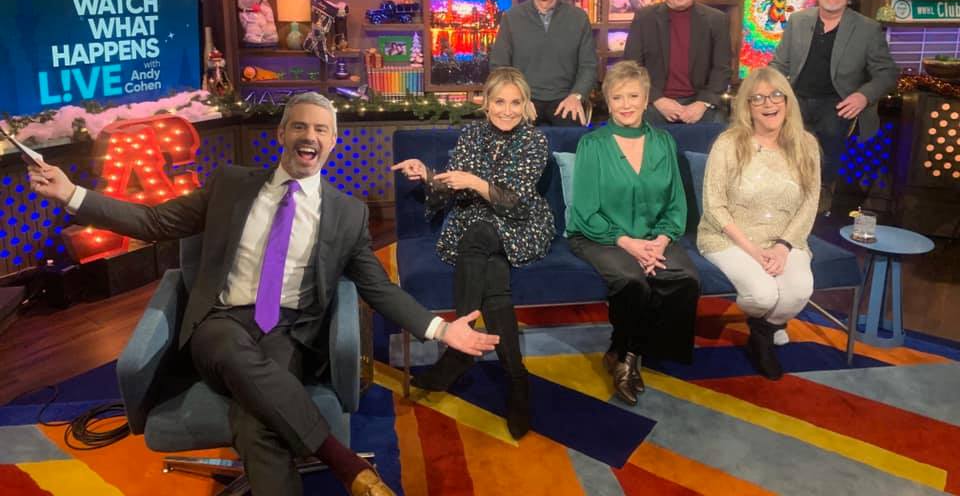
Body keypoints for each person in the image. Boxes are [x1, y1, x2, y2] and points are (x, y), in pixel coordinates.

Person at [27, 93, 499, 496]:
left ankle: (336, 465)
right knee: (230, 347)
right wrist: (72, 195)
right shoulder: (230, 184)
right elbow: (155, 223)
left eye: (320, 129)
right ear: (281, 133)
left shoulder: (346, 213)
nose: (309, 136)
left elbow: (376, 286)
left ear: (333, 141)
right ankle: (344, 463)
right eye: (299, 126)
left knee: (260, 424)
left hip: (290, 332)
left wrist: (440, 329)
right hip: (221, 321)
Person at [392, 67, 554, 439]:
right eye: (500, 101)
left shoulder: (534, 141)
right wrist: (428, 175)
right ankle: (517, 380)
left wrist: (476, 182)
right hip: (478, 221)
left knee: (478, 235)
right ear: (485, 102)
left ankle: (460, 349)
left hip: (521, 221)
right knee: (493, 273)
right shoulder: (472, 134)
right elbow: (452, 186)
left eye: (516, 103)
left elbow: (514, 202)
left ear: (526, 104)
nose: (508, 110)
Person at [566, 61, 700, 406]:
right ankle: (628, 359)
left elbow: (676, 203)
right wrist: (629, 244)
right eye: (617, 97)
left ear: (646, 100)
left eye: (633, 96)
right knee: (631, 280)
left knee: (684, 277)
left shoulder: (664, 142)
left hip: (654, 235)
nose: (625, 104)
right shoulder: (593, 144)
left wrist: (661, 241)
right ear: (608, 103)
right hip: (599, 235)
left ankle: (625, 352)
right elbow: (585, 212)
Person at [697, 67, 820, 380]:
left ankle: (762, 331)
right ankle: (766, 336)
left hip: (784, 238)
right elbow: (714, 206)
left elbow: (809, 204)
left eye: (777, 95)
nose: (769, 104)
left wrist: (782, 247)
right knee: (764, 294)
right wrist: (753, 251)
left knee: (798, 290)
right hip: (730, 238)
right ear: (747, 107)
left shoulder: (805, 145)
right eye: (758, 98)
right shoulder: (728, 143)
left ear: (788, 101)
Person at [770, 0, 898, 210]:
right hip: (798, 99)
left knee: (830, 131)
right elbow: (778, 65)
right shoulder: (798, 21)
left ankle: (823, 192)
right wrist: (768, 91)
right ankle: (786, 196)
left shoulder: (868, 29)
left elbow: (887, 73)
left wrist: (863, 96)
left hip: (840, 102)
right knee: (781, 136)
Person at [490, 0, 597, 126]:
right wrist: (517, 100)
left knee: (572, 133)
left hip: (565, 100)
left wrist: (576, 95)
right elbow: (499, 67)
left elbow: (589, 66)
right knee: (514, 132)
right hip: (523, 99)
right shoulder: (512, 17)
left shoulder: (578, 18)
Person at [623, 0, 731, 126]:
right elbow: (631, 66)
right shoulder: (644, 18)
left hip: (700, 102)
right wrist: (657, 99)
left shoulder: (716, 20)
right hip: (655, 103)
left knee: (718, 127)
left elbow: (722, 69)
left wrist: (702, 104)